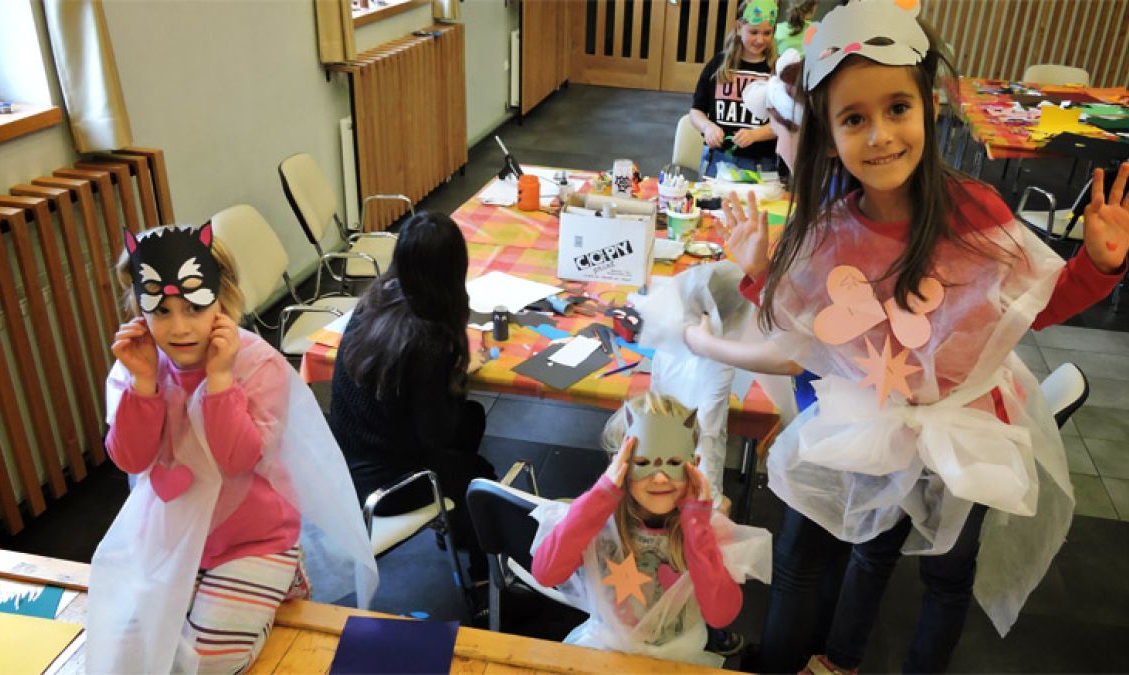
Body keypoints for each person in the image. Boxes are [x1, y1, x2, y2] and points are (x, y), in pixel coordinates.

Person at [684, 0, 1129, 672]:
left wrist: (1097, 266)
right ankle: (840, 659)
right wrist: (762, 275)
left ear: (928, 108)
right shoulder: (833, 228)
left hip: (965, 425)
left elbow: (1033, 306)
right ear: (829, 135)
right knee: (871, 546)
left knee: (948, 570)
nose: (880, 135)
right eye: (854, 118)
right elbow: (810, 333)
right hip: (882, 421)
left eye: (897, 108)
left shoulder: (974, 212)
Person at [87, 224, 376, 674]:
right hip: (172, 535)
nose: (179, 327)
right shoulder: (139, 364)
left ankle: (284, 581)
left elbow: (238, 460)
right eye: (161, 311)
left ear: (222, 301)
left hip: (252, 542)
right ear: (138, 310)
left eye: (194, 307)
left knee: (205, 665)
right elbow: (131, 458)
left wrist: (219, 379)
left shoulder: (257, 365)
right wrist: (142, 385)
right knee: (123, 654)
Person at [529, 392, 771, 667]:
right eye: (643, 463)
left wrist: (696, 527)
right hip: (607, 646)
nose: (659, 477)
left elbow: (721, 615)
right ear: (620, 464)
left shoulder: (708, 530)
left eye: (674, 463)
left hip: (680, 654)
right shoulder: (596, 520)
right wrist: (601, 496)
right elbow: (546, 573)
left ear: (693, 464)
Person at [330, 211, 495, 584]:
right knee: (481, 476)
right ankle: (484, 578)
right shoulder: (427, 340)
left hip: (346, 462)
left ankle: (455, 522)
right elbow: (436, 434)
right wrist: (452, 376)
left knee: (471, 418)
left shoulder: (376, 300)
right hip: (386, 484)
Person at [690, 0, 780, 178]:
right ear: (739, 27)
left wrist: (756, 135)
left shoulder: (778, 70)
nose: (760, 40)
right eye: (753, 32)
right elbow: (696, 111)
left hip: (760, 163)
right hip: (716, 160)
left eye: (767, 33)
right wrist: (707, 127)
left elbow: (785, 123)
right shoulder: (718, 65)